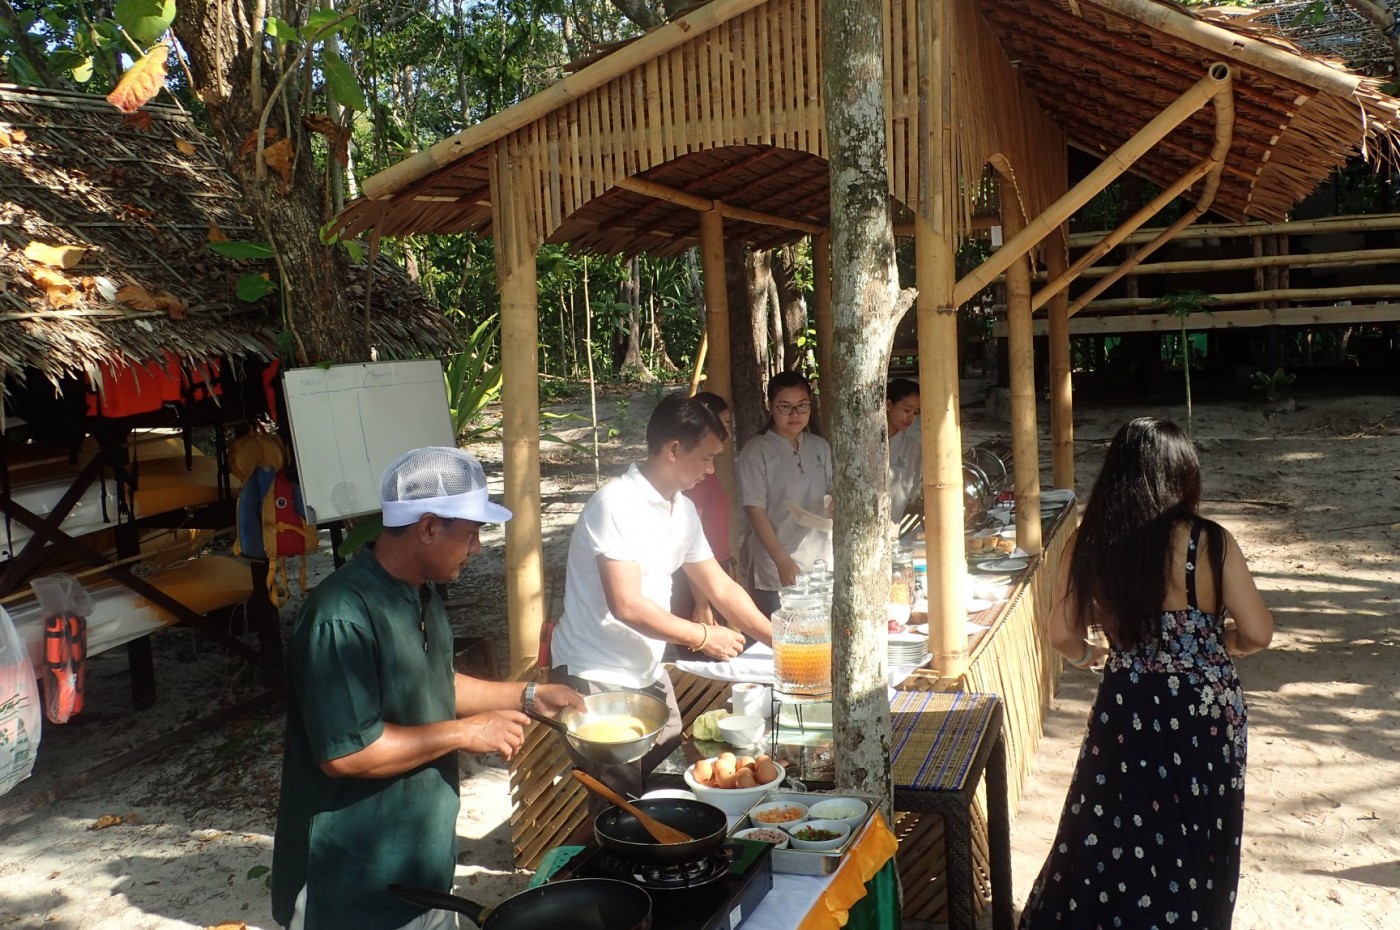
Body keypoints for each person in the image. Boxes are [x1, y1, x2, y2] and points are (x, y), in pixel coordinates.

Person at [271, 447, 584, 930]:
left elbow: (436, 682)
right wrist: (466, 733)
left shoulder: (421, 594)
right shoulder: (340, 617)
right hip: (353, 887)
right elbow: (349, 753)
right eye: (471, 533)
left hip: (423, 873)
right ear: (429, 528)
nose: (476, 548)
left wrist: (526, 695)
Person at [1019, 418, 1273, 930]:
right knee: (1199, 831)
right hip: (1205, 710)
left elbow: (1061, 633)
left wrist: (1088, 657)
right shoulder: (1211, 542)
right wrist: (1223, 644)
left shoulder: (1091, 542)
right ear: (1182, 474)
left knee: (1113, 828)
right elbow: (1259, 632)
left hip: (1128, 705)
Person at [548, 393, 773, 810]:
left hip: (645, 669)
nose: (711, 470)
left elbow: (721, 588)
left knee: (667, 763)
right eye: (706, 458)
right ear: (673, 449)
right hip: (596, 672)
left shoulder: (682, 509)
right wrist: (703, 636)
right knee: (619, 803)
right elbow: (627, 605)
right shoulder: (615, 505)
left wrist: (782, 642)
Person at [737, 371, 833, 615]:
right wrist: (782, 560)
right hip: (775, 566)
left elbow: (830, 491)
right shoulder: (756, 451)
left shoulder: (820, 446)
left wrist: (834, 504)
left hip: (820, 564)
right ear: (770, 406)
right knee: (781, 633)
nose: (795, 414)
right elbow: (754, 509)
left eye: (802, 406)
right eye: (785, 407)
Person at [670, 391, 734, 633]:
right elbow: (690, 545)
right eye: (723, 424)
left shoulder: (703, 473)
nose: (727, 432)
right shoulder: (693, 480)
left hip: (712, 571)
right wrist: (702, 602)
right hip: (698, 580)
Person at [886, 378, 922, 523]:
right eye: (907, 410)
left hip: (895, 524)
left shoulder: (913, 448)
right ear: (889, 405)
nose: (911, 416)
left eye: (916, 412)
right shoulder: (863, 442)